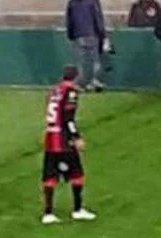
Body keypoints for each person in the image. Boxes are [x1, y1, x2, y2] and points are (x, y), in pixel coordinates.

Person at [41, 65, 96, 224]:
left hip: (50, 138)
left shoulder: (55, 91)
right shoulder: (71, 92)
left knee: (50, 177)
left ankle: (48, 213)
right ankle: (78, 210)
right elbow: (68, 118)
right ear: (76, 77)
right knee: (77, 175)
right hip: (63, 141)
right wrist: (76, 137)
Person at [65, 0, 107, 92]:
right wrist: (103, 34)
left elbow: (69, 20)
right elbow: (98, 18)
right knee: (95, 59)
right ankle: (93, 81)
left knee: (81, 61)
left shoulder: (72, 2)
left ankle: (81, 83)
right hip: (92, 33)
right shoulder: (93, 0)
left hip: (78, 34)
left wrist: (70, 35)